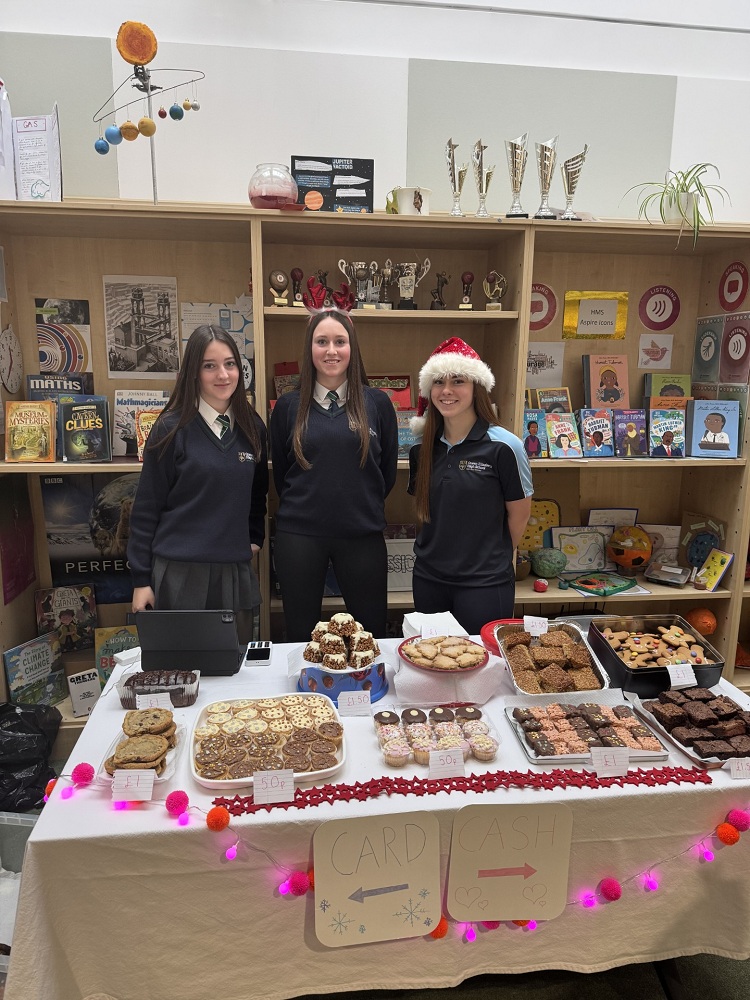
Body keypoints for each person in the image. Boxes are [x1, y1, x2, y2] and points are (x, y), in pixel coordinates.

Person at [128, 325, 268, 641]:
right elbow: (146, 509)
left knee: (236, 663)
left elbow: (257, 493)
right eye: (209, 366)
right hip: (179, 574)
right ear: (194, 372)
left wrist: (254, 537)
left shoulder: (253, 428)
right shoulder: (170, 429)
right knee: (181, 666)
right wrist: (141, 580)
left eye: (230, 364)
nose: (223, 374)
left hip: (233, 572)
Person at [269, 308, 398, 641]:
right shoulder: (287, 406)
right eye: (321, 341)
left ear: (352, 348)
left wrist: (355, 502)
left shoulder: (378, 403)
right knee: (301, 636)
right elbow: (282, 476)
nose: (331, 351)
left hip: (362, 535)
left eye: (340, 341)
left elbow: (385, 474)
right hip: (299, 538)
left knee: (369, 636)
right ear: (309, 348)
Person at [408, 337, 533, 634]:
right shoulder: (420, 449)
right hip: (428, 580)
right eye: (438, 382)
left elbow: (519, 516)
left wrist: (487, 559)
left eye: (458, 381)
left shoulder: (506, 447)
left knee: (483, 661)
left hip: (485, 584)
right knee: (431, 659)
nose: (446, 390)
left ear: (477, 387)